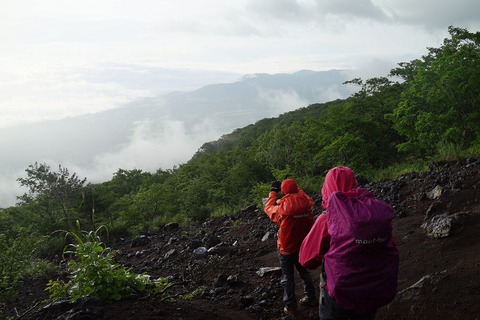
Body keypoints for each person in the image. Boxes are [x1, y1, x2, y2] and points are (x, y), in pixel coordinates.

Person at [301, 166, 398, 320]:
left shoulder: (327, 219)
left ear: (326, 188)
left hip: (339, 296)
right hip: (372, 292)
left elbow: (307, 259)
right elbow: (390, 243)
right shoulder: (371, 215)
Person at [264, 178, 318, 316]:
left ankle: (290, 306)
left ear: (284, 191)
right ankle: (311, 298)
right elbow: (306, 196)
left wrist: (273, 192)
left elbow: (268, 208)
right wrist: (295, 189)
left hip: (286, 248)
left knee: (287, 277)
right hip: (303, 245)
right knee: (304, 272)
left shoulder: (282, 209)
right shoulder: (307, 204)